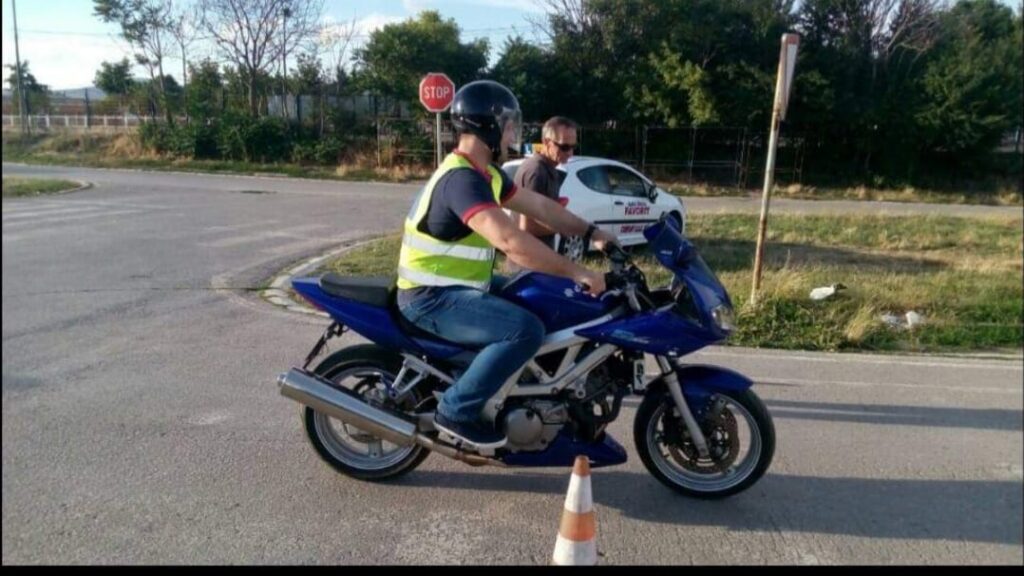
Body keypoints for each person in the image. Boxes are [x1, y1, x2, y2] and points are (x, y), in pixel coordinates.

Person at [396, 80, 617, 449]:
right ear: (488, 125)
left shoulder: (487, 175)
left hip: (459, 285)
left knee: (545, 295)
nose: (514, 132)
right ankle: (455, 410)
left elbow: (541, 207)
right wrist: (579, 271)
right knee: (524, 331)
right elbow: (511, 242)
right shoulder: (461, 180)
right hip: (430, 297)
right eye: (509, 124)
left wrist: (591, 231)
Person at [512, 116, 578, 249]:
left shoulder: (548, 168)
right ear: (547, 143)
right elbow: (528, 226)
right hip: (529, 255)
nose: (570, 153)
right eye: (564, 147)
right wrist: (565, 226)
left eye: (573, 147)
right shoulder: (536, 171)